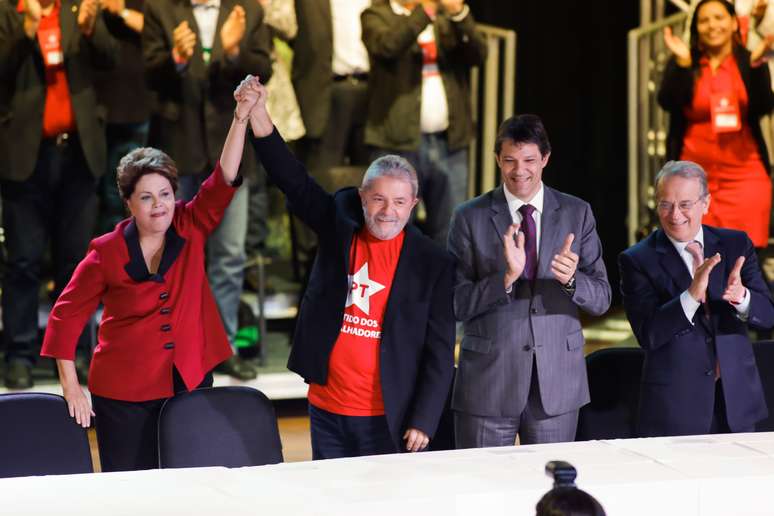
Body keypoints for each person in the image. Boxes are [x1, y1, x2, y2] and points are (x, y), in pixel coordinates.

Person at [39, 76, 260, 472]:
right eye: (146, 197)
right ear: (128, 204)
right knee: (130, 489)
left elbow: (222, 178)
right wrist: (71, 386)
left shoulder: (190, 225)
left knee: (191, 478)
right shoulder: (106, 252)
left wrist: (240, 118)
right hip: (124, 392)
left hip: (188, 379)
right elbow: (64, 316)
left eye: (165, 194)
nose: (158, 205)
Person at [245, 76, 456, 459]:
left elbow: (440, 352)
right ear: (361, 198)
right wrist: (258, 114)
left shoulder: (433, 263)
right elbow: (290, 178)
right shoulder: (337, 224)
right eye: (377, 199)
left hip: (389, 414)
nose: (387, 211)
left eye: (398, 201)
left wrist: (425, 419)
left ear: (413, 204)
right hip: (327, 407)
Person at [448, 114, 611, 448]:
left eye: (529, 161)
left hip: (556, 385)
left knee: (551, 491)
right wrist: (504, 278)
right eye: (509, 160)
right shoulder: (469, 217)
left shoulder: (576, 213)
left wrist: (571, 281)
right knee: (484, 491)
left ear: (546, 160)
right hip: (487, 385)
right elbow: (454, 302)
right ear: (497, 159)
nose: (519, 171)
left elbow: (602, 298)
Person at [142, 0, 274, 379]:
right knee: (169, 256)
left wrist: (233, 50)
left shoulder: (248, 10)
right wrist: (177, 59)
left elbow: (264, 68)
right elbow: (149, 75)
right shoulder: (160, 9)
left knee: (229, 256)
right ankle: (170, 349)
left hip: (229, 151)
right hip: (177, 150)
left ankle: (222, 348)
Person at [0, 0, 118, 388]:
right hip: (25, 157)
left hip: (79, 157)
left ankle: (76, 352)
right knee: (22, 262)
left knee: (77, 266)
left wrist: (91, 29)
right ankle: (18, 354)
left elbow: (111, 61)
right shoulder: (8, 11)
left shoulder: (77, 8)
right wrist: (26, 30)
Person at [619, 160, 774, 437]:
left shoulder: (736, 244)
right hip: (675, 408)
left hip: (737, 403)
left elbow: (768, 315)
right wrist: (691, 295)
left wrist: (742, 299)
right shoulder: (637, 259)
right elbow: (649, 334)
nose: (674, 215)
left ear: (706, 203)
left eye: (685, 204)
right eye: (665, 204)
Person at [361, 0, 486, 244]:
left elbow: (478, 54)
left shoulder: (444, 21)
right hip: (396, 146)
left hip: (449, 145)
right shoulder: (376, 15)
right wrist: (426, 11)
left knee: (449, 234)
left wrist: (458, 14)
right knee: (391, 232)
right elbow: (388, 46)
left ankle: (441, 283)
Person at [660, 0, 774, 248]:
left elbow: (764, 106)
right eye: (704, 20)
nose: (712, 25)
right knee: (696, 262)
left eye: (719, 18)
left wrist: (756, 68)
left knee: (743, 266)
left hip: (745, 180)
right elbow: (667, 102)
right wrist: (681, 65)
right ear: (696, 27)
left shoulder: (749, 60)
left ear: (734, 23)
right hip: (692, 183)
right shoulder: (685, 61)